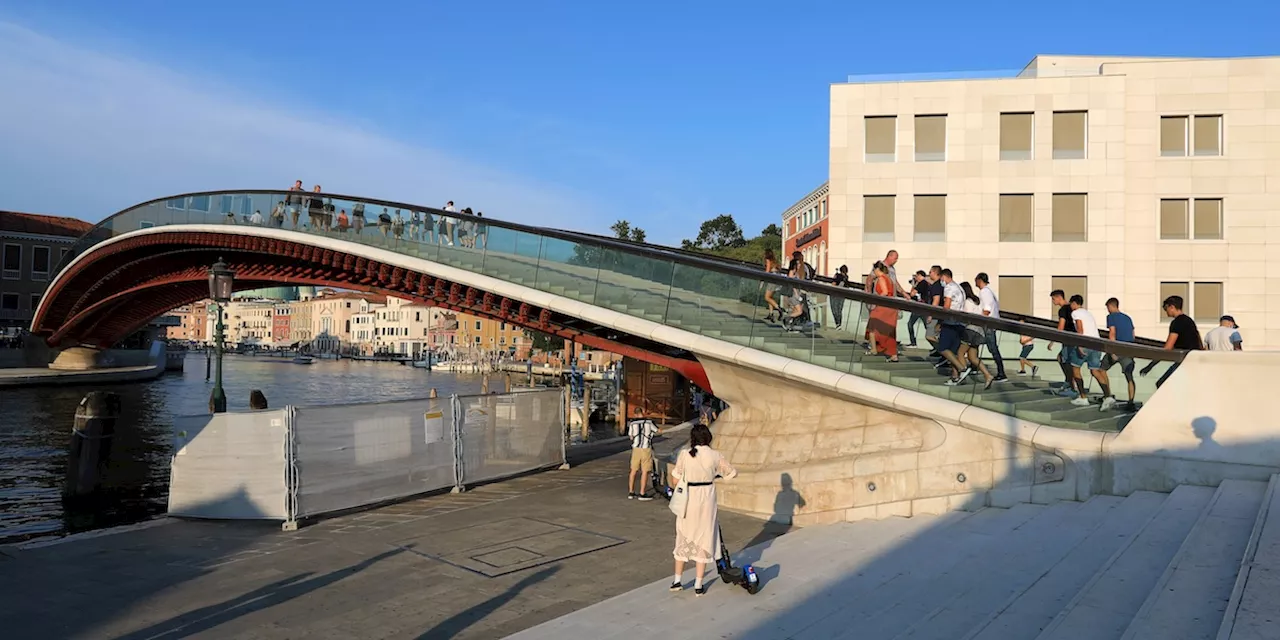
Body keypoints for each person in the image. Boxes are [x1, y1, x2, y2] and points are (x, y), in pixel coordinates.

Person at [670, 424, 737, 596]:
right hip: (707, 498)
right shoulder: (715, 455)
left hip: (689, 498)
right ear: (708, 437)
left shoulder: (685, 454)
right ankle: (698, 585)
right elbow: (731, 473)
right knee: (705, 538)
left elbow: (675, 479)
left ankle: (677, 580)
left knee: (683, 536)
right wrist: (715, 475)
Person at [1141, 295, 1203, 388]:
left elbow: (1167, 348)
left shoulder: (1176, 322)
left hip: (1184, 360)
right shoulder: (1189, 321)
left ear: (1172, 307)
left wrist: (1150, 366)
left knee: (1162, 384)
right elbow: (1198, 340)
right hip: (1194, 358)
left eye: (1166, 309)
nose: (1165, 312)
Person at [1066, 295, 1110, 407]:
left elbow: (1080, 329)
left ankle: (1083, 397)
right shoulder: (1088, 313)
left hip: (1085, 343)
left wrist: (1080, 345)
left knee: (1075, 368)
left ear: (1074, 303)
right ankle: (1107, 396)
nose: (1071, 306)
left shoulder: (1075, 313)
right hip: (1096, 344)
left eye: (1071, 304)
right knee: (1095, 371)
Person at [937, 269, 973, 385]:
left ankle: (961, 368)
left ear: (944, 277)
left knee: (943, 347)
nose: (941, 281)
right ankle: (955, 376)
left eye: (941, 279)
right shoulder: (959, 288)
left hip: (950, 322)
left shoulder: (948, 288)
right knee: (953, 350)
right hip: (960, 323)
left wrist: (940, 320)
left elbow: (947, 305)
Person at [957, 282, 995, 388]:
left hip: (970, 330)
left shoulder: (967, 302)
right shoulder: (976, 301)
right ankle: (988, 375)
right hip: (979, 330)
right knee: (972, 357)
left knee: (960, 352)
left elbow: (968, 316)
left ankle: (962, 371)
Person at [1103, 298, 1137, 409]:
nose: (1107, 310)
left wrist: (1112, 351)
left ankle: (1108, 394)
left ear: (1111, 306)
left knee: (1100, 369)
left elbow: (1112, 333)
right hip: (1129, 349)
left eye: (1108, 307)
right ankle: (1131, 401)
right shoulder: (1128, 318)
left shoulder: (1111, 317)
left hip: (1117, 348)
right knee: (1129, 376)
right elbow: (1133, 335)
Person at [974, 273, 1006, 382]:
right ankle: (975, 365)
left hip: (988, 324)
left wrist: (982, 320)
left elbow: (987, 308)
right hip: (992, 323)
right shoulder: (990, 291)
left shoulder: (984, 292)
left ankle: (1001, 372)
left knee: (992, 348)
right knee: (984, 345)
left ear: (979, 280)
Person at [1048, 290, 1080, 398]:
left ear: (1059, 297)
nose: (1053, 301)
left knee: (1066, 361)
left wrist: (1052, 341)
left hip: (1068, 339)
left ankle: (1071, 386)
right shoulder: (1071, 308)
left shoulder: (1062, 310)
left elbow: (1061, 327)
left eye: (1053, 299)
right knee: (1062, 358)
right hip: (1074, 338)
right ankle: (1068, 381)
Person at [866, 261, 898, 361]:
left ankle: (874, 349)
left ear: (877, 269)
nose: (873, 273)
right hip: (890, 308)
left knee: (872, 327)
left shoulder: (881, 279)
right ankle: (893, 355)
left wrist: (876, 299)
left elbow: (884, 292)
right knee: (888, 330)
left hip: (882, 307)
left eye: (874, 270)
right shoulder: (889, 279)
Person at [626, 418, 660, 500]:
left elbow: (631, 437)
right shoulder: (649, 422)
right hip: (646, 448)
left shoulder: (632, 423)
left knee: (633, 470)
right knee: (645, 471)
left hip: (636, 449)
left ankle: (631, 492)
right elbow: (658, 431)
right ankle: (642, 493)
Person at [907, 270, 929, 346]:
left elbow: (912, 294)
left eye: (916, 276)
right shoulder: (925, 283)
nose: (916, 278)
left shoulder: (922, 283)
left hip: (920, 308)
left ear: (919, 275)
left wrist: (913, 285)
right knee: (927, 326)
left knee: (910, 324)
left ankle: (913, 342)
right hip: (923, 307)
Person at [762, 249, 782, 321]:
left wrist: (762, 281)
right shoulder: (775, 261)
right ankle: (771, 314)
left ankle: (779, 308)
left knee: (767, 297)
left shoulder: (768, 260)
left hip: (772, 280)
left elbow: (767, 271)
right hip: (777, 280)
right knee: (770, 297)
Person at [830, 264, 850, 329]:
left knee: (834, 309)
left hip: (834, 294)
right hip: (842, 295)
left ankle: (837, 323)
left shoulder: (837, 276)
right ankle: (839, 324)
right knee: (839, 310)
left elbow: (833, 284)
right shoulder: (846, 278)